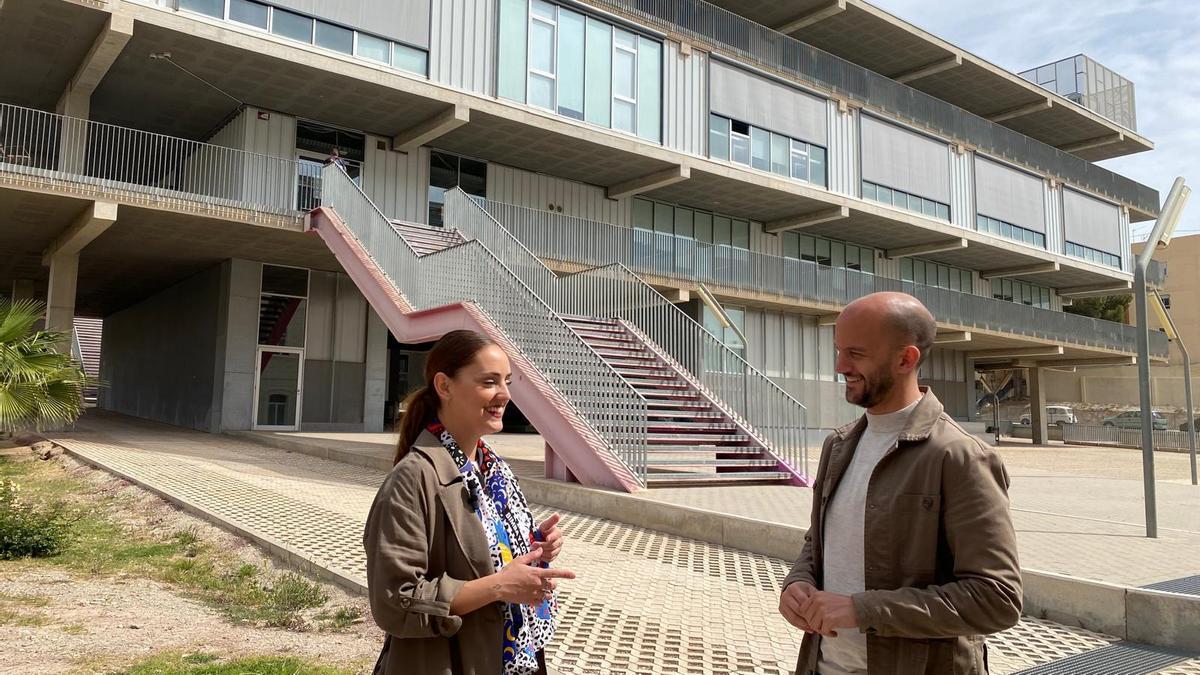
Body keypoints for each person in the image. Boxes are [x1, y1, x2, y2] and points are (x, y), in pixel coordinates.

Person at [779, 292, 1021, 674]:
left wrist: (861, 610)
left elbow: (996, 598)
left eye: (855, 354)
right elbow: (818, 542)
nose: (840, 365)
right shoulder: (838, 446)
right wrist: (798, 582)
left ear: (906, 359)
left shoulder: (960, 456)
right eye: (838, 350)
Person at [364, 330, 573, 675]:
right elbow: (395, 601)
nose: (504, 394)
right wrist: (500, 586)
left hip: (512, 659)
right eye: (489, 382)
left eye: (507, 381)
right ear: (444, 386)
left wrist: (535, 548)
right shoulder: (413, 478)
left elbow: (485, 549)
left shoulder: (494, 470)